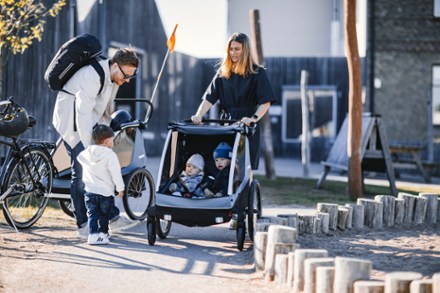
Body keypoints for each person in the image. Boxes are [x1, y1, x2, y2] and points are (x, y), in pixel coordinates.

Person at [53, 48, 139, 238]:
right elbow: (82, 115)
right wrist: (88, 150)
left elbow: (106, 110)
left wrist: (107, 136)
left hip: (89, 123)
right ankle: (83, 225)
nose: (127, 80)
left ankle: (112, 218)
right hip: (71, 122)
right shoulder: (91, 75)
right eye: (126, 75)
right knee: (81, 171)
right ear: (115, 65)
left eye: (130, 77)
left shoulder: (114, 79)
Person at [191, 32, 277, 170]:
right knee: (223, 163)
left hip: (247, 124)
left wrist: (253, 118)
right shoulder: (223, 73)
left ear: (245, 50)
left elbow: (266, 101)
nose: (233, 52)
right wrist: (199, 114)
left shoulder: (257, 72)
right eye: (230, 49)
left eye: (237, 49)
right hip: (227, 124)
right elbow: (209, 98)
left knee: (242, 167)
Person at [77, 125, 124, 245]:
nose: (113, 142)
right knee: (104, 215)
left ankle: (92, 235)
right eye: (112, 140)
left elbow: (79, 158)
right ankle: (103, 234)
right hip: (105, 192)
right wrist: (120, 189)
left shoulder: (87, 152)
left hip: (90, 191)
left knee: (92, 214)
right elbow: (116, 174)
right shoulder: (110, 155)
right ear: (106, 141)